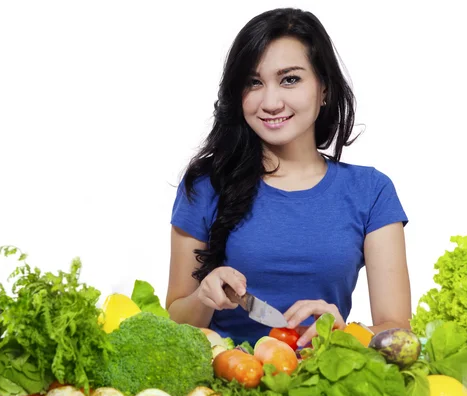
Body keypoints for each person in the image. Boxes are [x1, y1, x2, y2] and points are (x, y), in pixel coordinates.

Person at [165, 7, 412, 348]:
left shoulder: (371, 192)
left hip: (322, 382)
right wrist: (203, 297)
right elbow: (174, 319)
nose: (270, 102)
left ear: (323, 89)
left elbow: (397, 330)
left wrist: (343, 335)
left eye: (290, 79)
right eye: (254, 83)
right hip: (223, 381)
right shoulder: (206, 186)